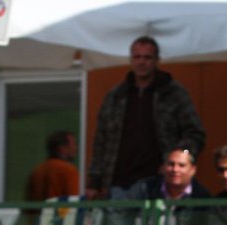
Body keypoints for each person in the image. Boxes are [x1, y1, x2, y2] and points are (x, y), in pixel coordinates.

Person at [86, 36, 205, 200]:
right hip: (118, 184)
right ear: (131, 60)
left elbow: (195, 134)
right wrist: (94, 181)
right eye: (137, 57)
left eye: (147, 57)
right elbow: (100, 141)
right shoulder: (115, 96)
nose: (142, 62)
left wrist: (181, 157)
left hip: (159, 184)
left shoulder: (173, 93)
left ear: (157, 60)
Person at [26, 132, 80, 203]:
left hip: (38, 213)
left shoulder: (37, 170)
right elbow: (73, 202)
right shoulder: (69, 170)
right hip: (59, 213)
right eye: (73, 145)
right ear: (62, 148)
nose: (76, 149)